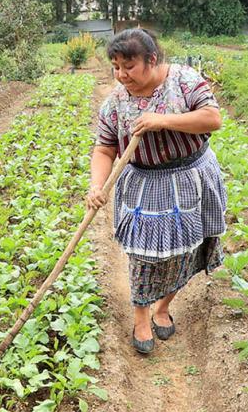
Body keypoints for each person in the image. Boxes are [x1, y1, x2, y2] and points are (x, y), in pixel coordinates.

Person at [87, 28, 227, 354]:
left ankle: (163, 307)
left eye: (129, 66)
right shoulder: (115, 105)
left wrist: (163, 121)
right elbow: (105, 149)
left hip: (193, 177)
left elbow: (212, 119)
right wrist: (97, 186)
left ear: (151, 60)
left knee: (188, 250)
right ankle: (140, 316)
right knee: (144, 255)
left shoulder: (184, 81)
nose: (122, 75)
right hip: (145, 184)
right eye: (116, 67)